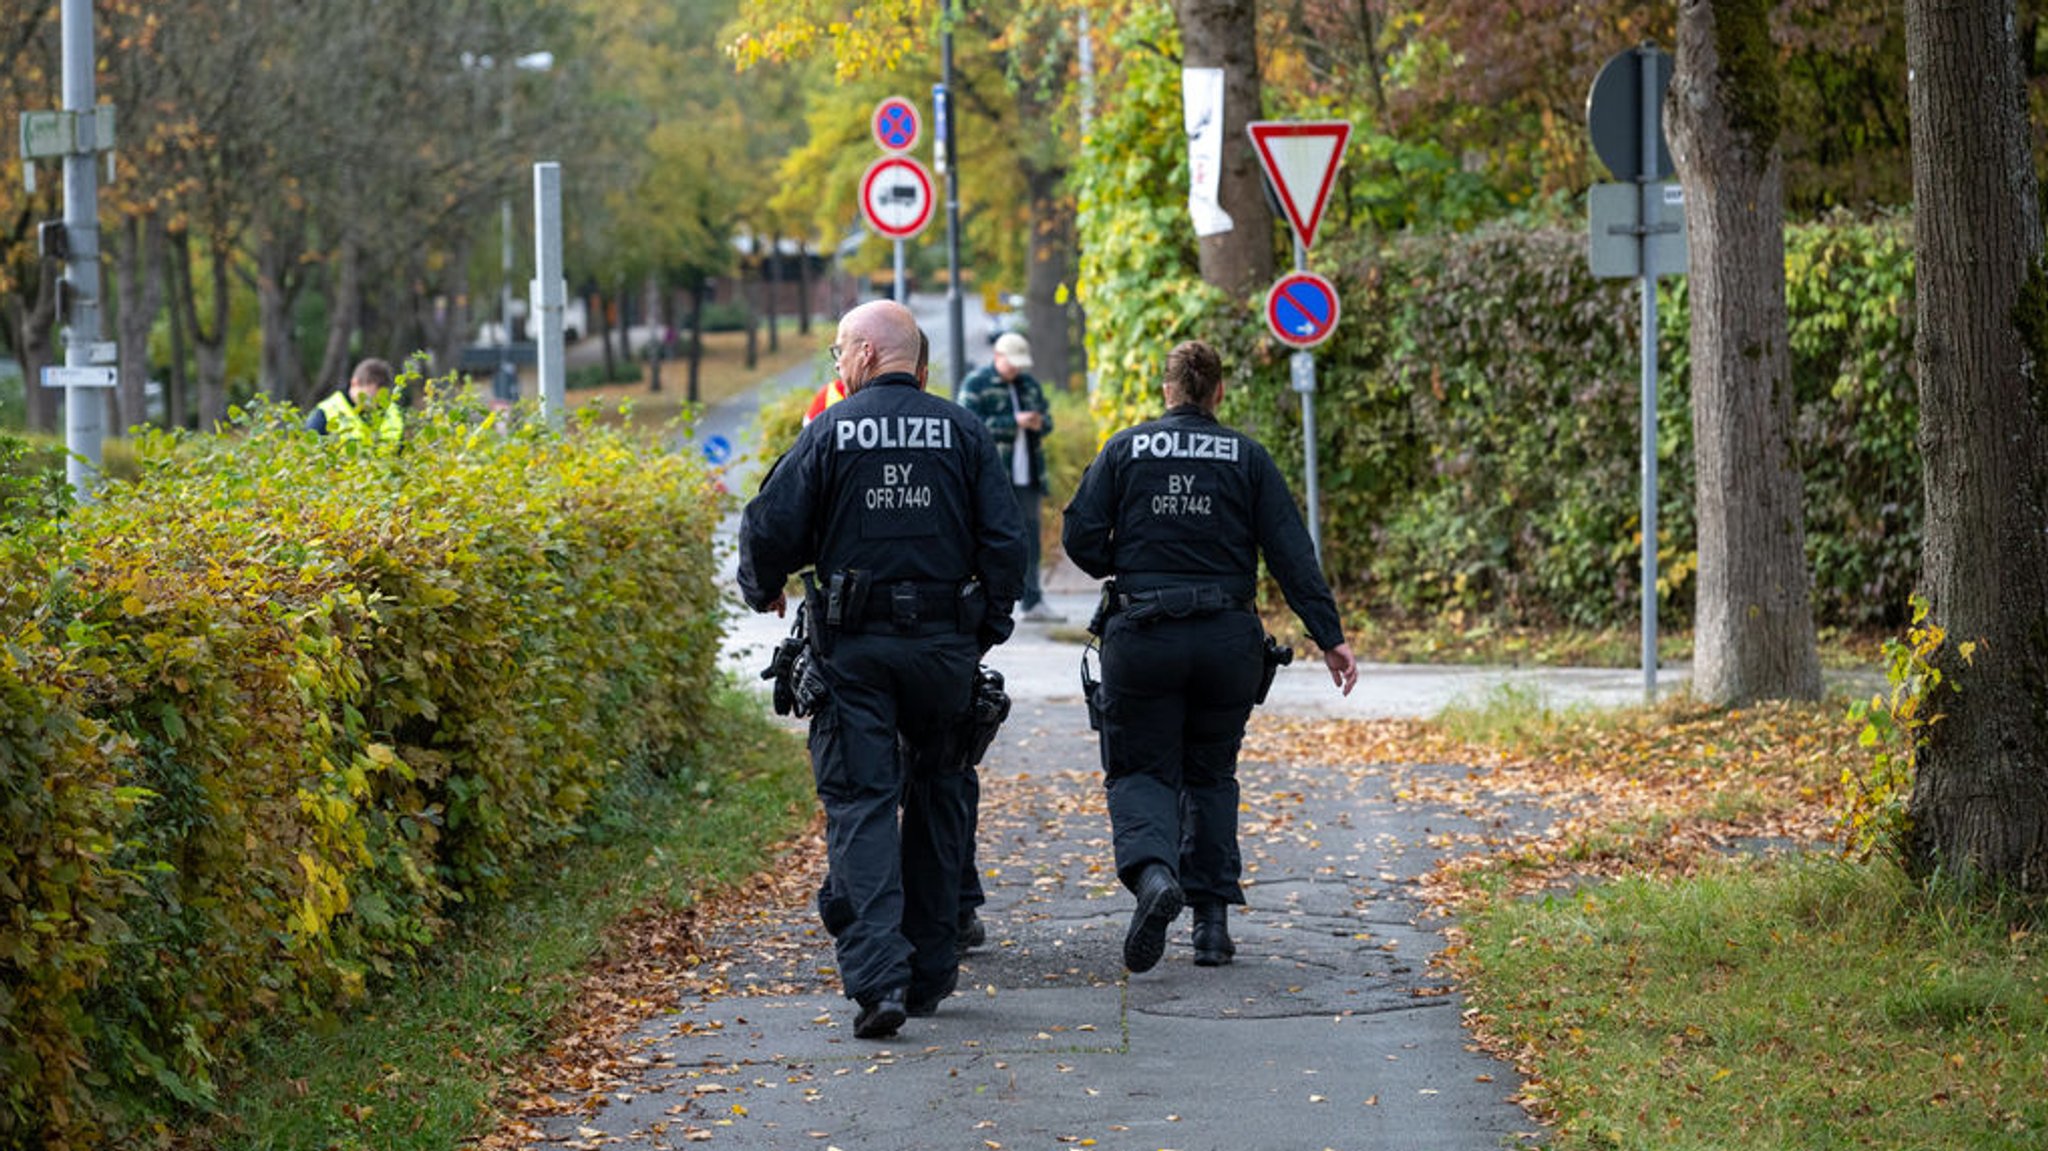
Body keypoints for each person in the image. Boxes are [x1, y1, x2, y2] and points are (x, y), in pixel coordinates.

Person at [738, 300, 1027, 1039]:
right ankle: (929, 971)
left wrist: (761, 583)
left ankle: (878, 982)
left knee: (862, 802)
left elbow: (769, 522)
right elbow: (1004, 538)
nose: (837, 362)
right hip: (943, 650)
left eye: (839, 350)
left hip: (855, 651)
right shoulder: (963, 430)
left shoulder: (830, 430)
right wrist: (984, 630)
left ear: (866, 354)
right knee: (939, 792)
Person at [1061, 339, 1359, 975]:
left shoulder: (1125, 449)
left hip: (1143, 635)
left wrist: (1130, 568)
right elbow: (1290, 554)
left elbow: (1080, 536)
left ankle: (1153, 878)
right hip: (1228, 639)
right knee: (1211, 774)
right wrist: (1328, 636)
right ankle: (1212, 927)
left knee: (1141, 769)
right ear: (1218, 392)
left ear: (1165, 390)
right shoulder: (1246, 458)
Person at [958, 331, 1063, 622]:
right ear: (998, 357)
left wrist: (1039, 423)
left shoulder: (1028, 385)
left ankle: (1033, 600)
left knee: (1029, 538)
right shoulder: (976, 384)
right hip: (993, 479)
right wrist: (1013, 422)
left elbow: (1048, 420)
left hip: (1027, 474)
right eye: (1012, 362)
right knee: (989, 537)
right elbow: (968, 428)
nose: (1016, 369)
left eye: (1020, 363)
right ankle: (984, 600)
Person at [306, 357, 403, 443]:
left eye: (381, 400)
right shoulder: (325, 413)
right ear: (354, 383)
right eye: (368, 399)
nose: (374, 406)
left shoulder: (394, 414)